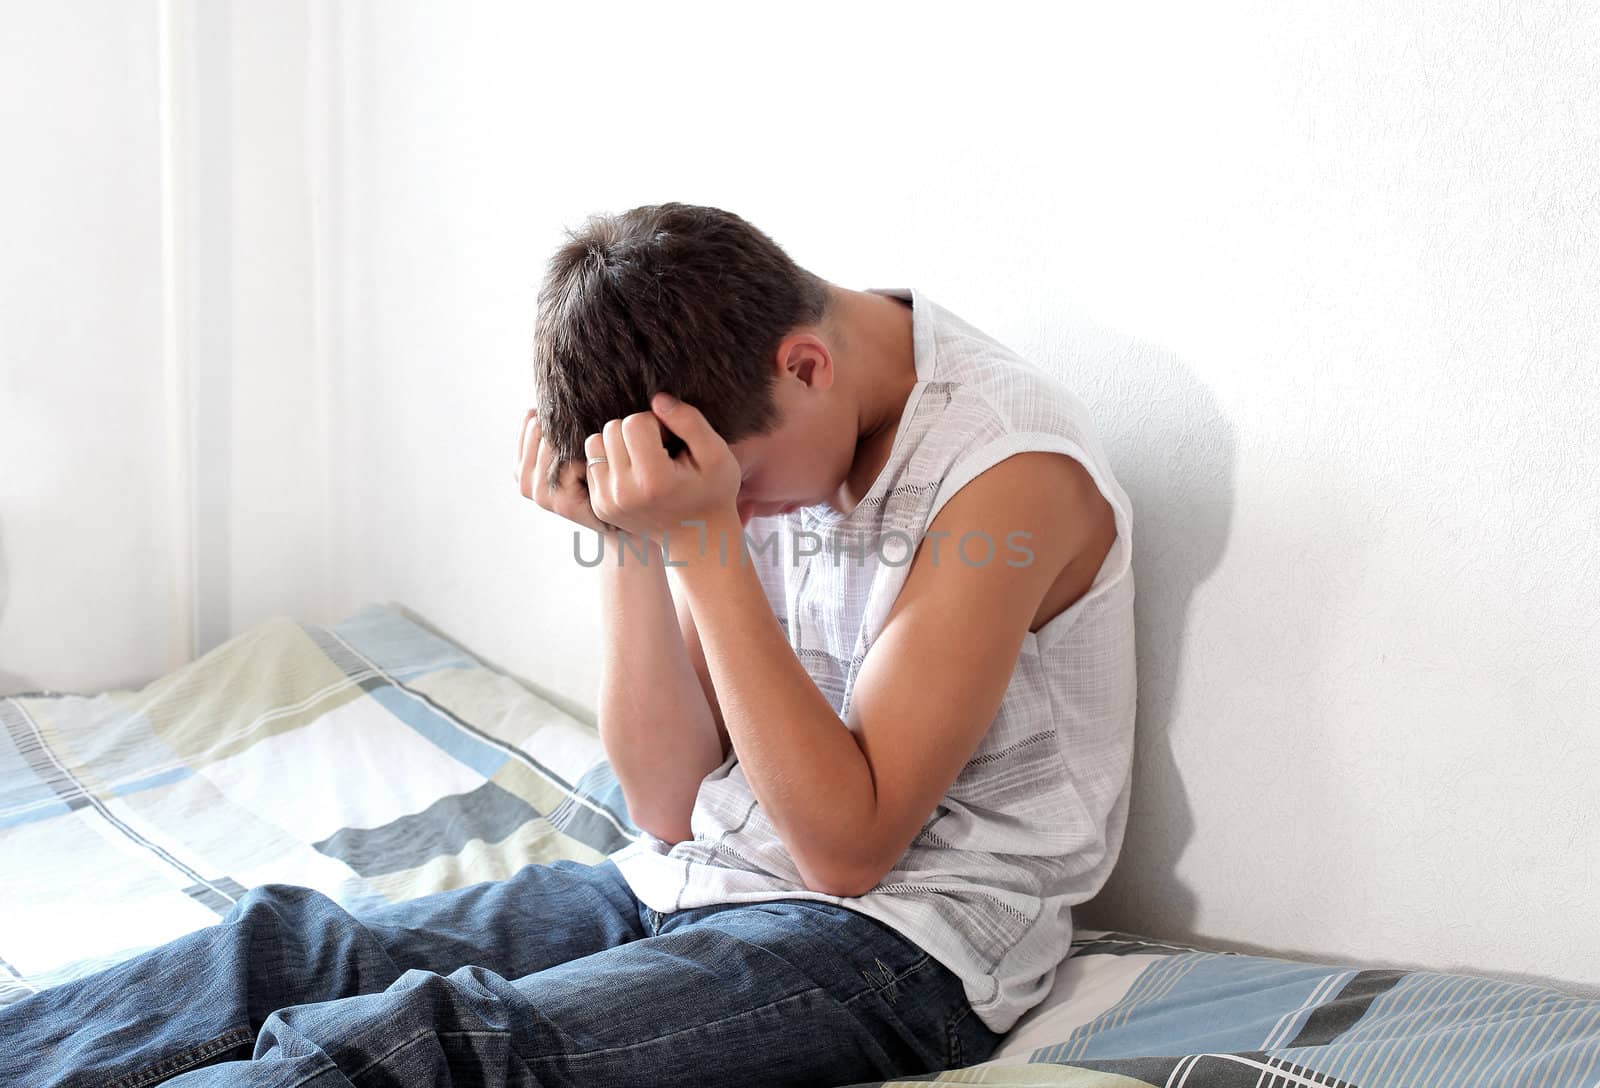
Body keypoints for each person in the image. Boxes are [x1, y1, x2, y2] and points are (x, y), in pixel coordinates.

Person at [0, 202, 1136, 1087]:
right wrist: (634, 543)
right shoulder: (738, 441)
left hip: (904, 940)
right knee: (273, 953)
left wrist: (700, 542)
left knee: (420, 1050)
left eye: (736, 492)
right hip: (698, 875)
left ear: (805, 365)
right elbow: (669, 802)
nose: (742, 518)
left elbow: (847, 852)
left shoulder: (1004, 476)